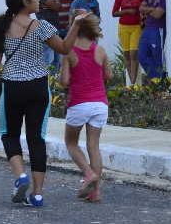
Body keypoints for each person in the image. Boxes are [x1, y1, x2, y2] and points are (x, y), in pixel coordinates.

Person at [0, 0, 86, 208]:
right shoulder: (41, 26)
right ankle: (37, 194)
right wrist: (76, 24)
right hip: (38, 87)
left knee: (9, 134)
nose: (38, 0)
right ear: (24, 2)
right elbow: (64, 48)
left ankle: (20, 176)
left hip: (12, 87)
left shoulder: (3, 27)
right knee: (36, 138)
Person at [60, 14, 111, 203]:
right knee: (93, 146)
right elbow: (108, 75)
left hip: (79, 103)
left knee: (71, 143)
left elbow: (64, 81)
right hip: (100, 104)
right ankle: (94, 192)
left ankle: (89, 174)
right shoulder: (100, 50)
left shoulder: (69, 52)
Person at [112, 0, 145, 86]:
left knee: (133, 54)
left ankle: (133, 81)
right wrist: (126, 12)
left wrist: (143, 19)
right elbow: (114, 13)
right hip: (123, 27)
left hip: (136, 27)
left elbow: (144, 10)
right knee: (126, 55)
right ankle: (131, 82)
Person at [138, 0, 167, 79]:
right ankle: (157, 79)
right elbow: (141, 8)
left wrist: (148, 10)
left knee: (157, 57)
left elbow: (158, 14)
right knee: (141, 55)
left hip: (158, 29)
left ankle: (159, 82)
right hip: (147, 29)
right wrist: (151, 9)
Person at [35, 0, 61, 72]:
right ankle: (47, 83)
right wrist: (53, 5)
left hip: (54, 27)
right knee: (48, 58)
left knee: (56, 58)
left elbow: (57, 6)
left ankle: (54, 85)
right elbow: (56, 6)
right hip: (46, 28)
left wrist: (53, 4)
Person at [52, 0, 78, 71]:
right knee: (57, 55)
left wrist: (71, 24)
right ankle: (57, 78)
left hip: (69, 29)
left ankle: (72, 75)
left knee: (71, 52)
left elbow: (77, 10)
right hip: (57, 29)